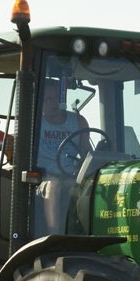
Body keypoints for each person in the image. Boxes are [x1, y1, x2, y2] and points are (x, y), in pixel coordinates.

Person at [34, 78, 90, 234]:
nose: (52, 104)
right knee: (53, 185)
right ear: (40, 102)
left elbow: (86, 153)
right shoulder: (35, 122)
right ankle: (54, 234)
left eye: (55, 99)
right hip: (42, 178)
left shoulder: (78, 121)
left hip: (71, 176)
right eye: (47, 99)